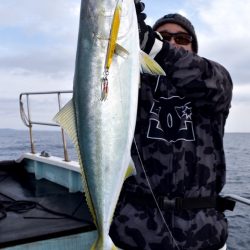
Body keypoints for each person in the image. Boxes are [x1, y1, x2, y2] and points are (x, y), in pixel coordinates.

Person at [110, 1, 234, 250]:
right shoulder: (135, 86)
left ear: (194, 47)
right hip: (135, 231)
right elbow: (106, 70)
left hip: (202, 233)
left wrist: (157, 47)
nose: (172, 43)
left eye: (182, 38)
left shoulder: (215, 80)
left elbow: (200, 76)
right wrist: (120, 25)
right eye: (164, 36)